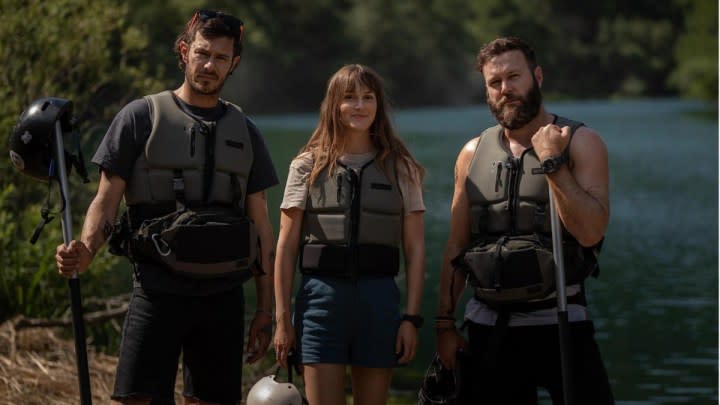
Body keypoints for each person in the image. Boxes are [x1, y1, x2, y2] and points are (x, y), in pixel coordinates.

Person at [55, 10, 278, 405]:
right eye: (203, 53)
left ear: (234, 64)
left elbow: (260, 224)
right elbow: (105, 201)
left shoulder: (247, 132)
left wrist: (265, 308)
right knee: (137, 399)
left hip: (224, 295)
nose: (210, 65)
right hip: (158, 289)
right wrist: (85, 250)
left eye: (221, 58)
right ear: (184, 50)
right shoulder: (139, 118)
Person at [434, 36, 614, 404]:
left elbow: (591, 231)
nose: (505, 89)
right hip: (489, 328)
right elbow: (456, 245)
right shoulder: (471, 153)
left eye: (514, 77)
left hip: (561, 323)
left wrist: (552, 164)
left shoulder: (581, 141)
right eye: (494, 83)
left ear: (537, 76)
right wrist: (444, 325)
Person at [272, 64, 426, 405]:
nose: (360, 106)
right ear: (333, 106)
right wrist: (282, 320)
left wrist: (411, 319)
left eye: (368, 97)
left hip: (379, 301)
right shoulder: (306, 166)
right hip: (321, 303)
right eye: (350, 97)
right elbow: (285, 246)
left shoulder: (401, 167)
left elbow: (415, 249)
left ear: (379, 105)